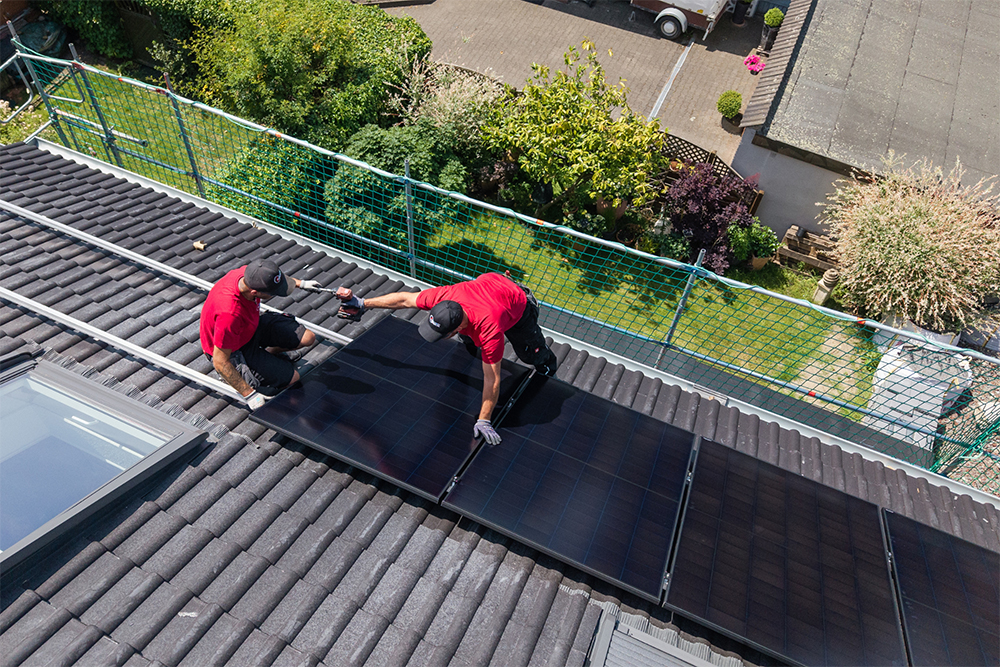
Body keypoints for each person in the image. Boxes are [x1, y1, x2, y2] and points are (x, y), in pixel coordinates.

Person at [336, 272, 557, 445]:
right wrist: (362, 303)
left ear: (459, 326)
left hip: (517, 305)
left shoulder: (490, 331)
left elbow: (492, 379)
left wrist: (484, 420)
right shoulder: (446, 298)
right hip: (490, 286)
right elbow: (404, 299)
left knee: (528, 353)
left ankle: (546, 362)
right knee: (470, 343)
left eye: (444, 334)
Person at [200, 258, 321, 409]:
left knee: (308, 337)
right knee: (294, 377)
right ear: (254, 292)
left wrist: (300, 283)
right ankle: (243, 370)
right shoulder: (229, 313)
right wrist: (249, 394)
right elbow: (219, 361)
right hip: (234, 350)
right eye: (274, 293)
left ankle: (267, 355)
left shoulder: (250, 272)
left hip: (249, 327)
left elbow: (274, 279)